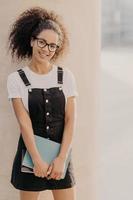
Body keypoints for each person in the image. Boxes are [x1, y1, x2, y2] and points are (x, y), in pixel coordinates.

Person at [7, 6, 78, 200]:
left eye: (52, 45)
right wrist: (37, 160)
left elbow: (71, 120)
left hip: (60, 156)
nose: (46, 49)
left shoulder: (66, 77)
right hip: (31, 156)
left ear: (57, 48)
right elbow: (24, 123)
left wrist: (62, 158)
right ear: (32, 41)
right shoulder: (16, 79)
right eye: (42, 42)